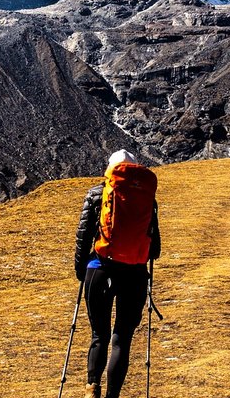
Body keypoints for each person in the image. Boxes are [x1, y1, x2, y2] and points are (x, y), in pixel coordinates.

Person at [74, 149, 161, 398]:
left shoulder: (97, 194)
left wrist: (82, 271)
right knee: (122, 338)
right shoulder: (147, 197)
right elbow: (155, 249)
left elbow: (83, 238)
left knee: (99, 334)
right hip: (134, 274)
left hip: (100, 269)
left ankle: (92, 388)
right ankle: (113, 395)